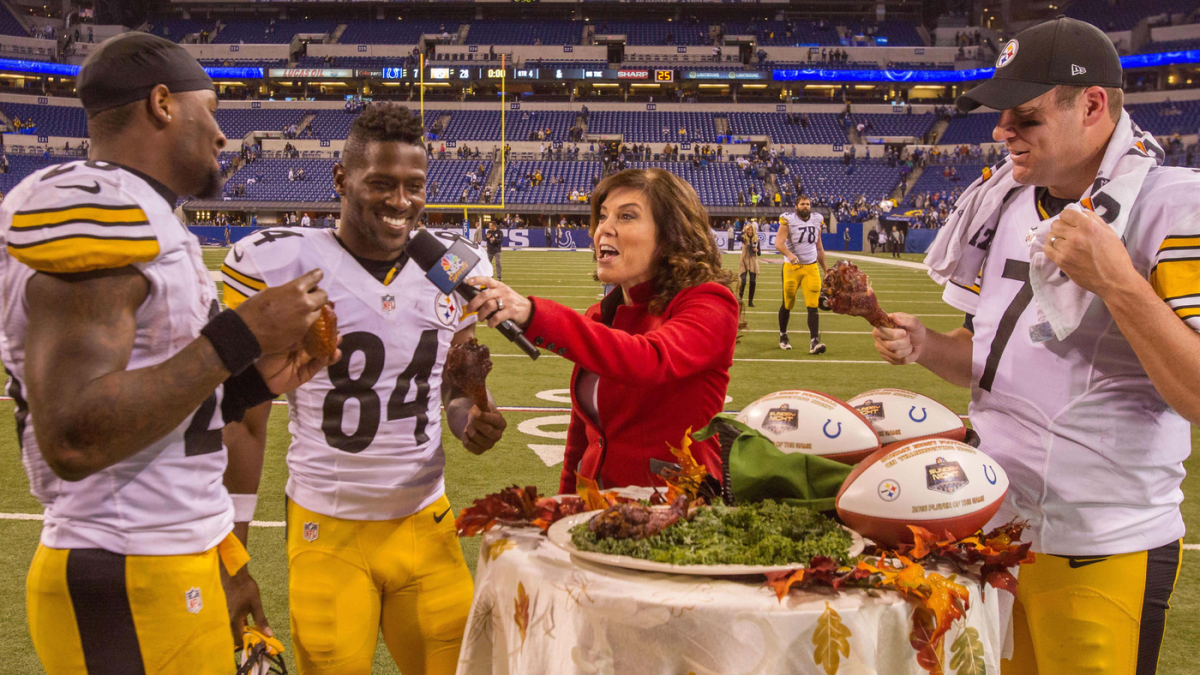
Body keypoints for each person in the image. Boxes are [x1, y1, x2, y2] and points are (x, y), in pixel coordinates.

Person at [875, 17, 1198, 675]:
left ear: (1093, 104)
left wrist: (1118, 281)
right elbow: (990, 359)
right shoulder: (1005, 202)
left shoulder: (1175, 205)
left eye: (1024, 117)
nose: (1001, 134)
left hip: (1102, 540)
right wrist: (927, 343)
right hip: (993, 528)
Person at [7, 33, 335, 673]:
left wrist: (251, 385)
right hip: (123, 561)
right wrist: (241, 334)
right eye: (209, 109)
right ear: (162, 104)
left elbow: (157, 403)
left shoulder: (151, 215)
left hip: (169, 551)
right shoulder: (94, 207)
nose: (221, 135)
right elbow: (73, 434)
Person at [222, 104, 507, 674]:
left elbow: (452, 384)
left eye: (413, 186)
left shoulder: (451, 263)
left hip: (426, 521)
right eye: (381, 183)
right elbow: (245, 420)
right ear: (341, 180)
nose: (400, 201)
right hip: (327, 527)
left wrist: (465, 417)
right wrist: (232, 560)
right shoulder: (278, 263)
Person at [463, 168, 739, 492]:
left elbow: (648, 360)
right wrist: (566, 505)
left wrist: (532, 313)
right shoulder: (601, 316)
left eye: (626, 217)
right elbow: (581, 437)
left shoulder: (710, 302)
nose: (603, 229)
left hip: (680, 514)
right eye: (603, 216)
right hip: (600, 517)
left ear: (669, 235)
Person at [775, 196, 827, 354]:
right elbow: (778, 242)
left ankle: (814, 342)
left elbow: (819, 248)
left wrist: (825, 269)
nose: (806, 206)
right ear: (796, 206)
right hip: (793, 268)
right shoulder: (788, 220)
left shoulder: (817, 220)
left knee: (812, 304)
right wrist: (789, 254)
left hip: (811, 267)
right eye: (803, 204)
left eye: (808, 204)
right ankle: (783, 336)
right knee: (788, 302)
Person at [737, 218, 760, 307]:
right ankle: (740, 299)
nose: (750, 231)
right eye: (748, 230)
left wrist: (756, 250)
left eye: (751, 230)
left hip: (753, 261)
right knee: (743, 281)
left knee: (753, 281)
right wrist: (743, 231)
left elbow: (759, 253)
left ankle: (750, 301)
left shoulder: (756, 239)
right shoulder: (744, 238)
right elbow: (738, 237)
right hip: (744, 259)